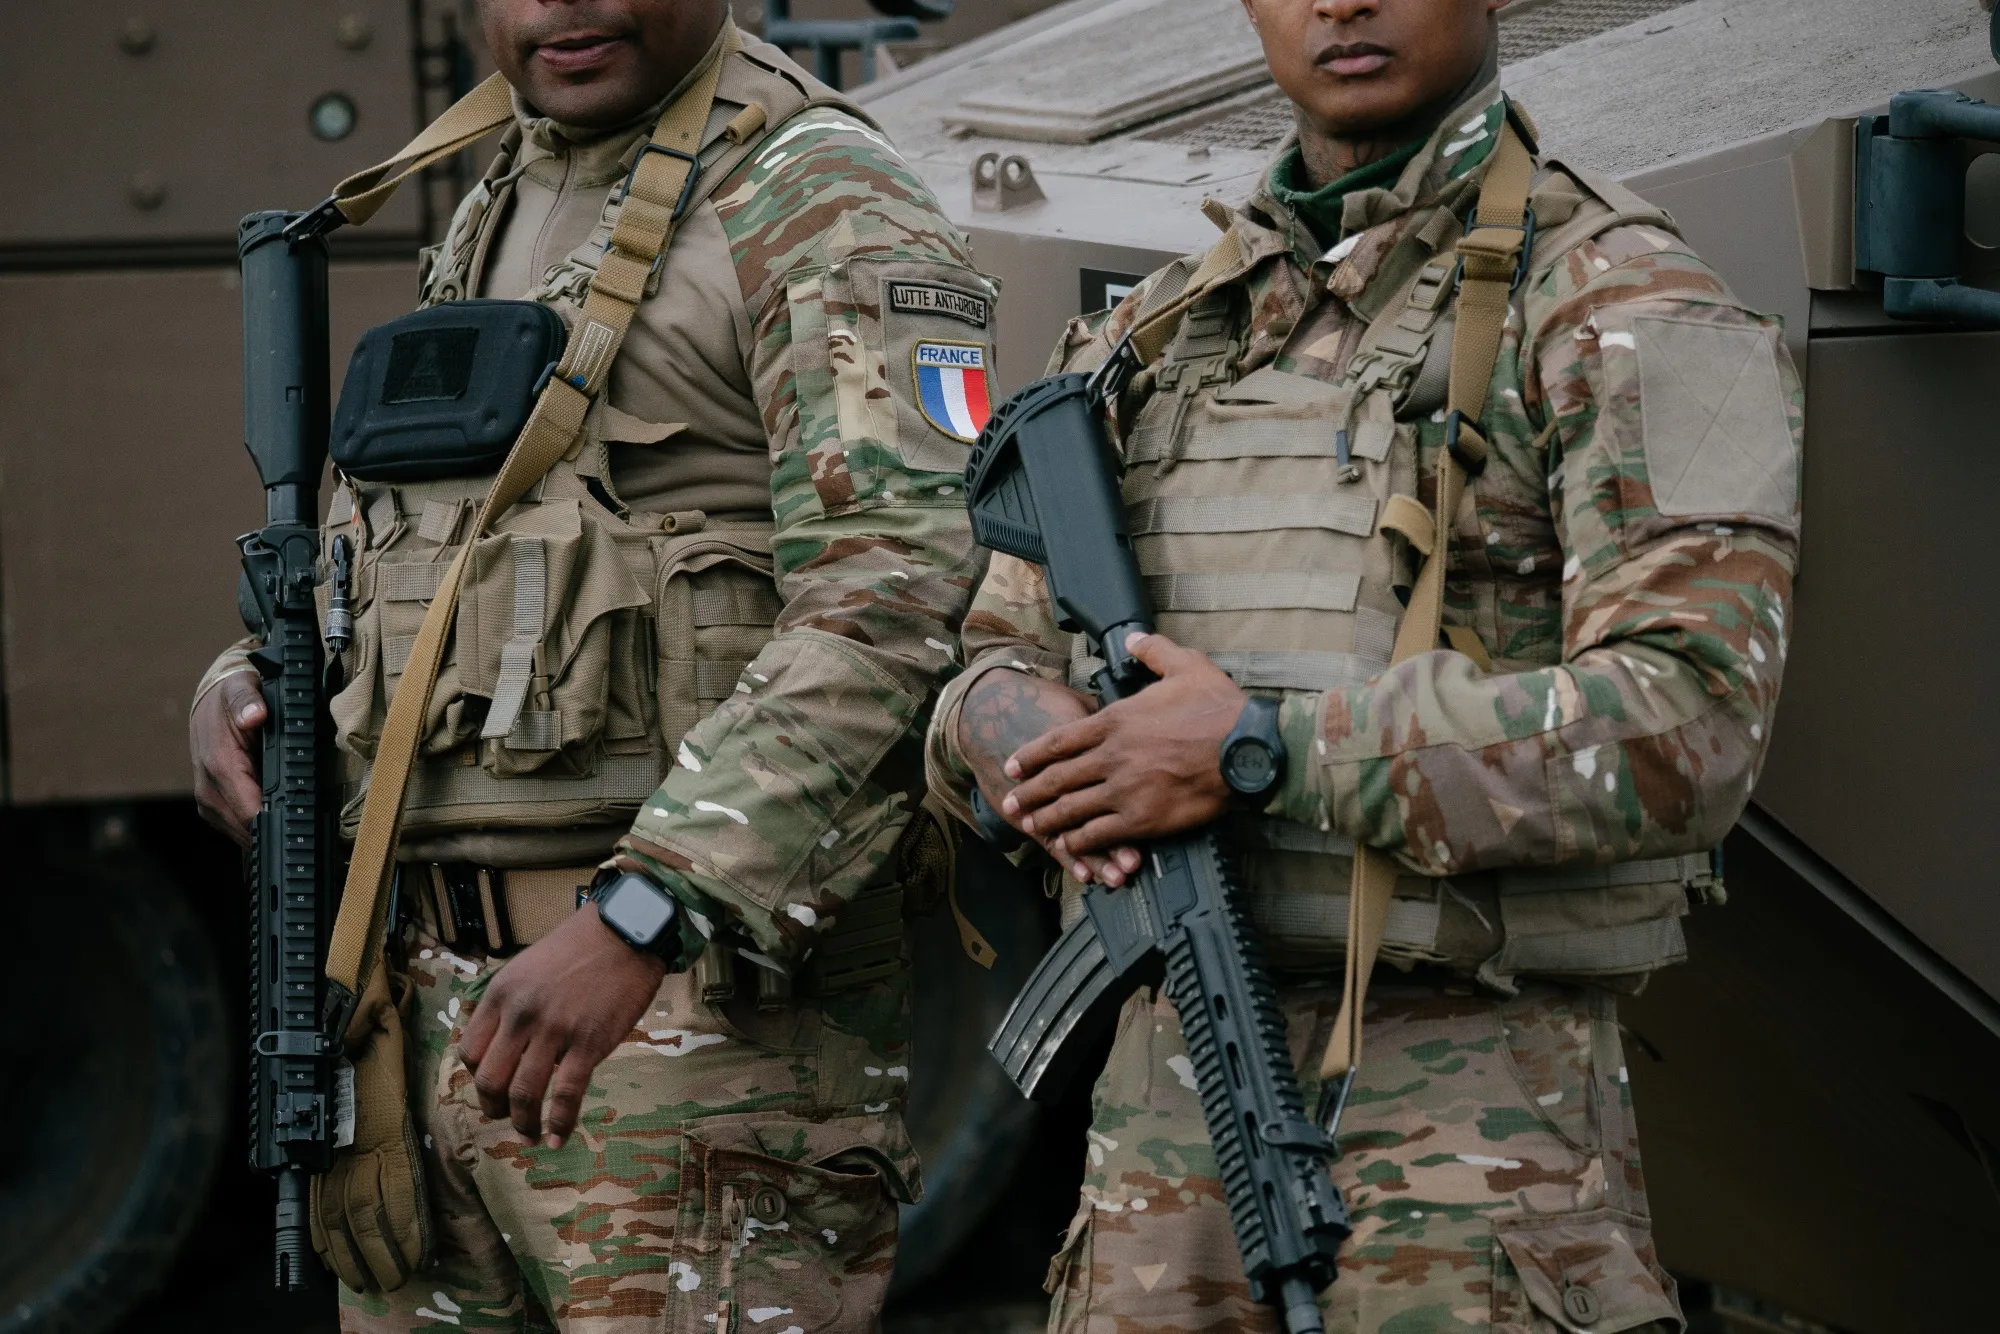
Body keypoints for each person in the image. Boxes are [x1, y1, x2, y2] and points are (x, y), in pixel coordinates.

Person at [925, 0, 1799, 1329]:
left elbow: (1694, 718)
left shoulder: (1621, 301)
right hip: (1159, 1137)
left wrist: (1262, 752)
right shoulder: (1153, 334)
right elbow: (985, 657)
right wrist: (1017, 733)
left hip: (1473, 1139)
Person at [191, 0, 993, 1328]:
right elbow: (422, 535)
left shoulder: (815, 194)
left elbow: (899, 595)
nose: (560, 4)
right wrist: (245, 679)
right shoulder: (512, 187)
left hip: (687, 1020)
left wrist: (645, 913)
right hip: (430, 1019)